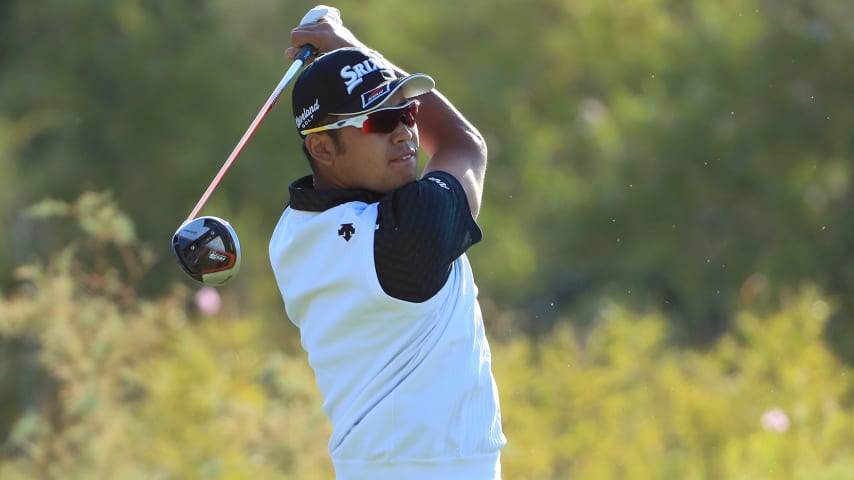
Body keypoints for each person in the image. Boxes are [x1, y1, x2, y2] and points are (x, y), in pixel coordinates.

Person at [268, 10, 506, 480]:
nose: (405, 133)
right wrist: (352, 46)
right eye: (377, 122)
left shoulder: (291, 235)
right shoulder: (410, 232)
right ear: (322, 149)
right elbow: (464, 143)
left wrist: (353, 61)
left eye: (406, 112)